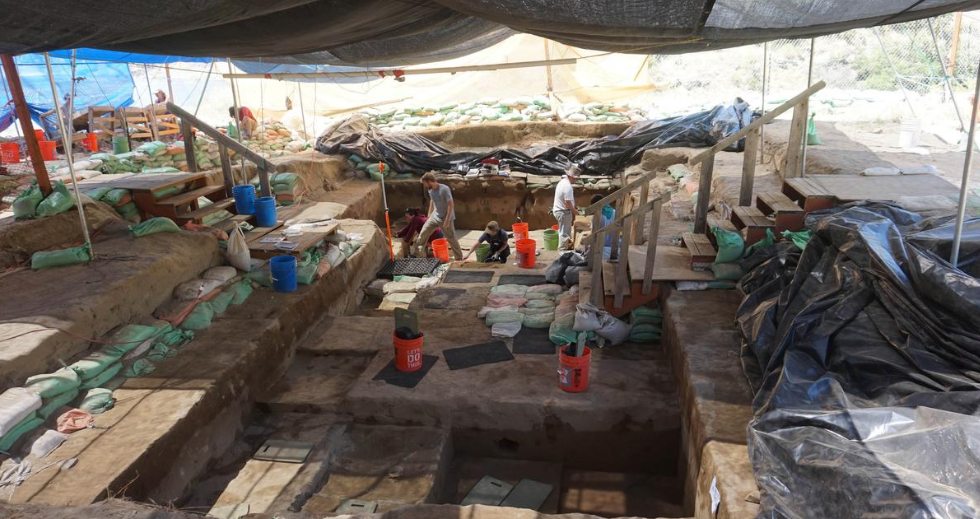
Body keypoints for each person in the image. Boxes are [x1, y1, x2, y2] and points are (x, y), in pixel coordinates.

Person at [414, 172, 463, 260]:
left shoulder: (444, 189)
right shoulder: (430, 189)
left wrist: (447, 220)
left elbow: (451, 205)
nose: (424, 185)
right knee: (423, 234)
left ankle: (459, 258)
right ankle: (419, 255)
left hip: (445, 217)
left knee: (451, 238)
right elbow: (432, 201)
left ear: (429, 181)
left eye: (425, 183)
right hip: (435, 216)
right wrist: (429, 215)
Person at [552, 165, 579, 250]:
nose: (576, 180)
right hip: (563, 212)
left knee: (562, 231)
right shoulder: (568, 186)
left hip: (559, 210)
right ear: (572, 177)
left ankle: (565, 246)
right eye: (576, 178)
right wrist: (576, 213)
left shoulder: (563, 182)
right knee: (564, 233)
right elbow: (567, 203)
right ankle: (562, 251)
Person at [590, 194, 616, 258]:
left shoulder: (597, 216)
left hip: (601, 249)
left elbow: (594, 235)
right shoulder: (616, 212)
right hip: (613, 247)